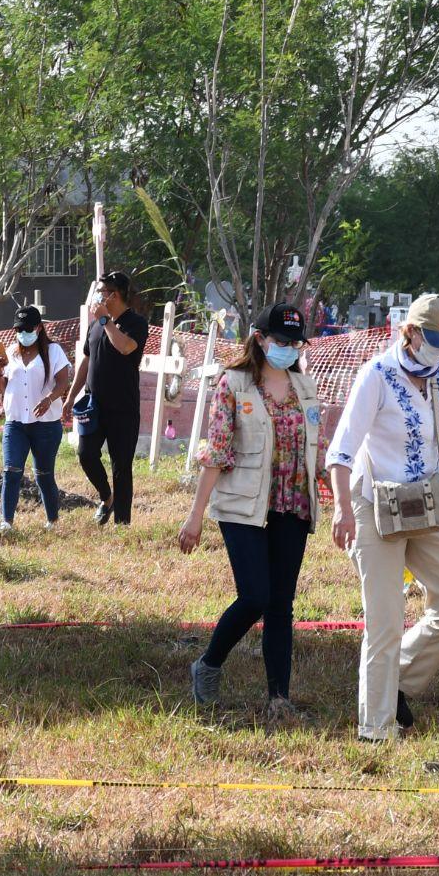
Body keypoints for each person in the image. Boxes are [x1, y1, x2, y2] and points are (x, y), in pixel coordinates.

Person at [326, 294, 439, 741]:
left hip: (426, 506)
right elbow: (341, 451)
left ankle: (395, 685)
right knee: (385, 621)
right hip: (373, 507)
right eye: (433, 339)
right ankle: (376, 729)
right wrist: (341, 509)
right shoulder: (376, 374)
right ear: (409, 332)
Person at [178, 303, 320, 722]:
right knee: (255, 596)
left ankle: (279, 697)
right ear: (260, 339)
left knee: (281, 604)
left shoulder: (304, 386)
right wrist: (195, 515)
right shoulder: (233, 384)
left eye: (295, 343)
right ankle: (208, 664)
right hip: (242, 507)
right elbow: (217, 452)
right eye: (282, 342)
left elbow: (316, 449)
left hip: (292, 505)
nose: (290, 349)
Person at [64, 270, 147, 525]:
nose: (98, 297)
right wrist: (70, 398)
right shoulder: (95, 326)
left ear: (115, 294)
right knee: (86, 453)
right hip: (94, 406)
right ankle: (106, 496)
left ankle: (122, 523)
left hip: (123, 408)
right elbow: (85, 362)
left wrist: (104, 321)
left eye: (102, 292)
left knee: (121, 466)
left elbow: (125, 347)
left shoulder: (135, 323)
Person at [0, 305, 72, 528]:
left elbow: (62, 382)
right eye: (19, 330)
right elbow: (0, 388)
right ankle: (6, 522)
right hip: (16, 423)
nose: (23, 334)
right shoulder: (10, 353)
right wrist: (0, 370)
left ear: (38, 328)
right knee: (11, 471)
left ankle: (52, 520)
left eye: (27, 329)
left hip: (45, 425)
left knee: (43, 474)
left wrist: (49, 399)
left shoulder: (54, 351)